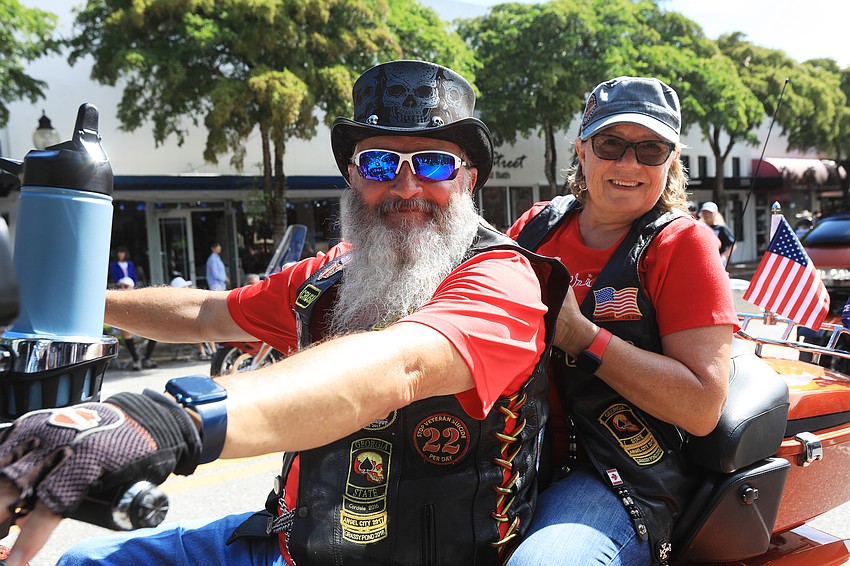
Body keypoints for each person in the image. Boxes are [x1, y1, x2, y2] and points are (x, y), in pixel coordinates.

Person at [0, 59, 567, 566]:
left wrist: (169, 420)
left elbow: (403, 364)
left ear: (468, 179)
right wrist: (67, 303)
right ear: (351, 177)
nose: (406, 185)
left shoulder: (502, 279)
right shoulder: (327, 276)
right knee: (87, 560)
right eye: (378, 163)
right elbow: (205, 313)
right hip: (292, 542)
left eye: (435, 164)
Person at [506, 77, 738, 565]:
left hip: (619, 474)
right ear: (583, 150)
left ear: (671, 159)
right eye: (611, 144)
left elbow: (701, 406)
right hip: (515, 453)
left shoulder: (683, 244)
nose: (628, 164)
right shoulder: (534, 227)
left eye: (650, 148)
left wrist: (581, 336)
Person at [113, 276, 157, 371]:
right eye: (120, 287)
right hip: (119, 331)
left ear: (132, 288)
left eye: (125, 286)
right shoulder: (115, 301)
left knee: (154, 330)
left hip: (137, 330)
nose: (122, 289)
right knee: (126, 329)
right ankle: (136, 360)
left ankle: (147, 359)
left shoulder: (139, 302)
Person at [170, 276, 213, 361]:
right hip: (183, 325)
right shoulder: (175, 302)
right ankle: (203, 352)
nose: (187, 289)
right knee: (198, 326)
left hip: (192, 322)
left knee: (205, 325)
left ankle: (212, 351)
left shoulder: (187, 298)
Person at [700, 201, 736, 266]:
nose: (707, 215)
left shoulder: (722, 228)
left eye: (710, 213)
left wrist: (724, 256)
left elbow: (733, 245)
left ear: (716, 213)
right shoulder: (700, 227)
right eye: (704, 213)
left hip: (718, 261)